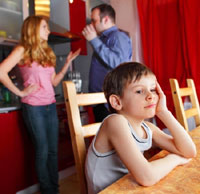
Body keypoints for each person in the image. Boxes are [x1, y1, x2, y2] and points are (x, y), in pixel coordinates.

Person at [85, 62, 196, 194]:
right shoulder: (115, 122)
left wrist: (164, 113)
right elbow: (147, 177)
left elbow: (189, 151)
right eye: (139, 91)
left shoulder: (147, 128)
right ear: (117, 102)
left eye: (153, 89)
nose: (151, 96)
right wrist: (176, 159)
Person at [0, 15, 80, 194]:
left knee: (53, 150)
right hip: (34, 107)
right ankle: (47, 191)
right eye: (45, 27)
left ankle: (54, 189)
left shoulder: (46, 52)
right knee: (42, 150)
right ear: (34, 28)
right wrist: (20, 92)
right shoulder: (22, 50)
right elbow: (1, 71)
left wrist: (67, 63)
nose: (49, 31)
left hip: (50, 106)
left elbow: (53, 82)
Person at [82, 4, 132, 122]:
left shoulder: (118, 36)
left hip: (109, 103)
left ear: (105, 19)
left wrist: (94, 40)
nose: (92, 25)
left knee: (114, 139)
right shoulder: (103, 38)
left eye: (94, 21)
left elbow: (119, 64)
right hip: (102, 101)